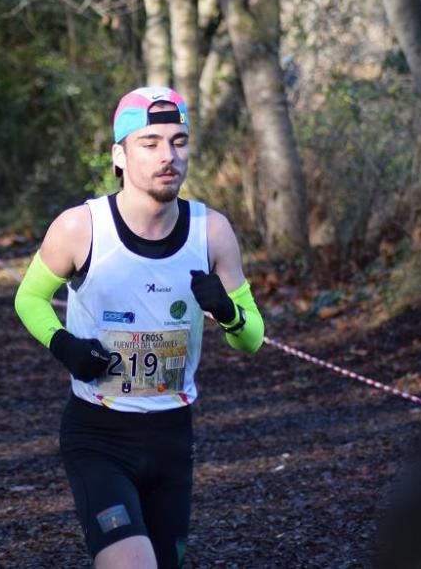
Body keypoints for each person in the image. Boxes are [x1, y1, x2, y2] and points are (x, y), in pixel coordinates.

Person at [14, 86, 265, 569]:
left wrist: (228, 312)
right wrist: (63, 343)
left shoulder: (211, 232)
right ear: (120, 155)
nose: (168, 155)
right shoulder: (81, 227)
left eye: (179, 141)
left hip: (172, 439)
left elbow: (252, 337)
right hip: (99, 436)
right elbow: (29, 297)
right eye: (150, 143)